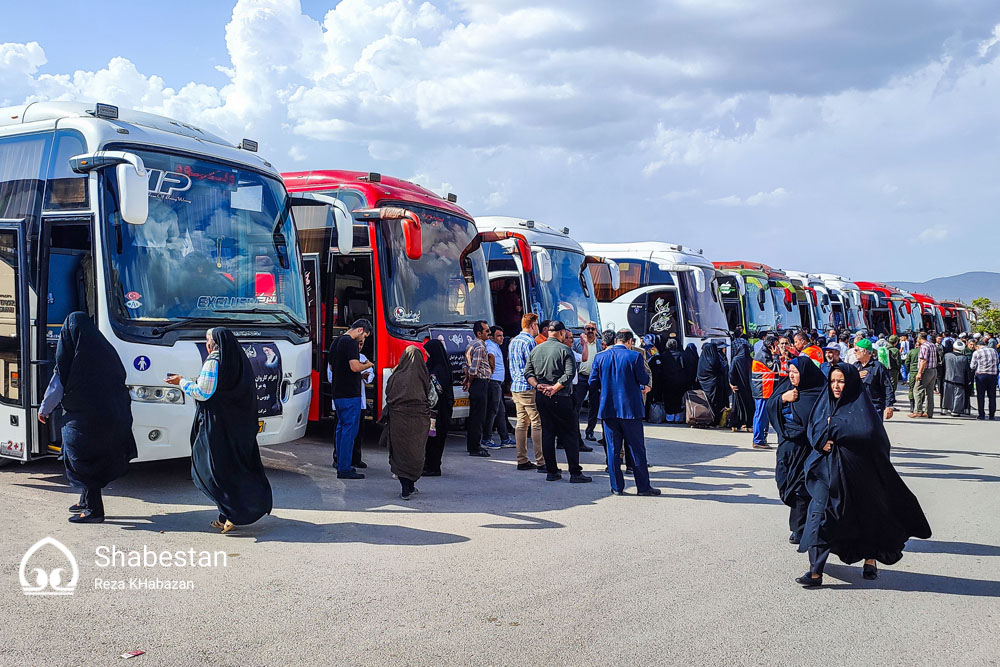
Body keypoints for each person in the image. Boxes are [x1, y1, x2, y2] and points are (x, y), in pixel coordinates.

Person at [796, 364, 931, 587]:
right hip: (826, 473)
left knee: (867, 518)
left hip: (858, 474)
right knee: (820, 516)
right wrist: (822, 440)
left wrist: (835, 426)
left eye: (841, 381)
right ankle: (815, 571)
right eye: (832, 381)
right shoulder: (825, 402)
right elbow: (813, 428)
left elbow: (868, 432)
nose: (836, 386)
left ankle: (870, 560)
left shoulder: (860, 406)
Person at [167, 328, 272, 533]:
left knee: (211, 469)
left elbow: (203, 393)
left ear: (213, 344)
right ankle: (226, 515)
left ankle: (232, 513)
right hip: (238, 426)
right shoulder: (238, 361)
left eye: (207, 340)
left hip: (218, 426)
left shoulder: (214, 361)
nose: (206, 344)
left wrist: (181, 382)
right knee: (235, 468)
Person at [38, 312, 137, 524]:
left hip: (84, 420)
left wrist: (44, 409)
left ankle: (94, 511)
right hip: (113, 416)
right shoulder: (106, 351)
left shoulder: (70, 357)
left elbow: (58, 384)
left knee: (85, 461)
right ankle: (85, 500)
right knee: (89, 457)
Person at [589, 330, 659, 496]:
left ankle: (616, 487)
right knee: (636, 449)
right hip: (630, 410)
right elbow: (643, 379)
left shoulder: (600, 357)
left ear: (615, 340)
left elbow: (592, 382)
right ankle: (643, 487)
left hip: (608, 409)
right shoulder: (634, 357)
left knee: (613, 450)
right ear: (629, 342)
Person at [766, 357, 827, 544]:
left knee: (802, 490)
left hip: (808, 449)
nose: (792, 375)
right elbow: (770, 406)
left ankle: (800, 529)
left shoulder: (819, 393)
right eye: (790, 371)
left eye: (796, 372)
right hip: (787, 447)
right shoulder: (785, 388)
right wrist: (783, 399)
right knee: (785, 484)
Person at [524, 321, 591, 483]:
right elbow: (569, 374)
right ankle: (575, 472)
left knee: (547, 433)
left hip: (542, 396)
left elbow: (527, 373)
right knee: (569, 434)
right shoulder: (564, 350)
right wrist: (554, 388)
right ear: (561, 333)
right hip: (561, 397)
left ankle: (552, 471)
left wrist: (538, 386)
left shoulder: (536, 349)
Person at [380, 346, 431, 500]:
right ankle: (410, 484)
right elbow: (429, 395)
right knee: (416, 452)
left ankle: (405, 487)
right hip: (419, 422)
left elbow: (388, 394)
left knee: (400, 453)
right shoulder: (423, 375)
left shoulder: (396, 376)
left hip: (398, 421)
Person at [329, 319, 374, 478]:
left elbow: (332, 367)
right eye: (365, 336)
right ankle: (345, 468)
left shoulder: (336, 342)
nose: (364, 340)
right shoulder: (351, 343)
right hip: (350, 394)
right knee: (349, 431)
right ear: (360, 330)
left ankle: (341, 463)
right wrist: (368, 365)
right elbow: (354, 366)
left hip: (338, 393)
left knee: (341, 429)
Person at [508, 314, 546, 472]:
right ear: (532, 325)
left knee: (522, 423)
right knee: (536, 422)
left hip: (516, 386)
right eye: (536, 325)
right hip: (528, 386)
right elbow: (534, 366)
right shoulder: (530, 342)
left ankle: (521, 458)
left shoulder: (514, 341)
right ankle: (541, 460)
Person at [422, 339, 454, 477]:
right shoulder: (442, 367)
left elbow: (436, 391)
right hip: (440, 410)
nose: (427, 355)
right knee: (433, 438)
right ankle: (431, 464)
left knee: (434, 438)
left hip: (437, 411)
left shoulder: (438, 371)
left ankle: (433, 467)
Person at [463, 320, 493, 457]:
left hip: (476, 383)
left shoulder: (471, 344)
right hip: (479, 383)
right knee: (478, 417)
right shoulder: (480, 346)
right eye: (486, 331)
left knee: (475, 416)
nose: (489, 333)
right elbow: (474, 370)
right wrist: (469, 381)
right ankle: (475, 447)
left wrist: (467, 379)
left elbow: (466, 366)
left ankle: (473, 445)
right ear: (479, 333)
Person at [482, 326, 514, 449]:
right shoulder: (490, 345)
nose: (501, 338)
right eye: (499, 336)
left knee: (501, 412)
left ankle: (505, 438)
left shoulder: (496, 345)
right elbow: (490, 356)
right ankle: (486, 438)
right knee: (493, 411)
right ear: (492, 336)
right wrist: (493, 369)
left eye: (502, 335)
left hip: (497, 383)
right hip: (493, 382)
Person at [574, 321, 604, 441]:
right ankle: (575, 432)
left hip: (595, 378)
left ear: (596, 331)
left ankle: (590, 431)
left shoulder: (600, 345)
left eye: (593, 329)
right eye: (588, 329)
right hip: (581, 377)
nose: (590, 331)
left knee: (594, 406)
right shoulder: (578, 343)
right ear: (584, 330)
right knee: (577, 405)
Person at [853, 338, 894, 419]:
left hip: (874, 407)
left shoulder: (878, 367)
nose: (854, 352)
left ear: (864, 351)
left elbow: (888, 386)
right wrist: (856, 376)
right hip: (858, 407)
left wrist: (889, 405)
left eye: (856, 350)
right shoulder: (855, 366)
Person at [751, 334, 779, 449]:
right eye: (776, 345)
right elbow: (775, 369)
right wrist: (776, 356)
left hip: (766, 389)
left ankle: (761, 438)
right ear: (770, 345)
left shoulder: (766, 353)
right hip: (762, 390)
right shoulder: (764, 355)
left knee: (763, 416)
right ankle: (758, 440)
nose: (777, 348)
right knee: (760, 415)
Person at [697, 340, 731, 426]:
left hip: (707, 386)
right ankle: (714, 420)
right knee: (715, 403)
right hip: (714, 386)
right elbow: (721, 369)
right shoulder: (714, 360)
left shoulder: (703, 359)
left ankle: (711, 420)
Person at [970, 337, 999, 420]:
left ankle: (981, 414)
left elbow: (972, 366)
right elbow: (997, 362)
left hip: (981, 376)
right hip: (992, 376)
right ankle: (992, 415)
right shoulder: (994, 351)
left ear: (977, 346)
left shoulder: (977, 352)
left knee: (981, 396)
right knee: (992, 396)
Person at [728, 338, 753, 433]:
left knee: (737, 406)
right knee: (748, 405)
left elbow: (731, 373)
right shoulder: (750, 360)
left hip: (737, 387)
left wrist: (732, 384)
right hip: (748, 387)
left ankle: (735, 424)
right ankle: (748, 424)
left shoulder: (736, 359)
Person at [910, 332, 938, 418]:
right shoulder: (932, 345)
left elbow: (923, 361)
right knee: (929, 392)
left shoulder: (924, 346)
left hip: (925, 371)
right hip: (933, 370)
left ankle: (918, 411)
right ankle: (929, 412)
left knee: (917, 390)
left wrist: (919, 373)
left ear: (919, 338)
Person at [942, 340, 971, 417]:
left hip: (948, 378)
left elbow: (942, 367)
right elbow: (967, 371)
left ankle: (945, 408)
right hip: (960, 380)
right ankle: (955, 410)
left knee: (947, 394)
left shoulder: (947, 355)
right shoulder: (964, 358)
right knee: (958, 395)